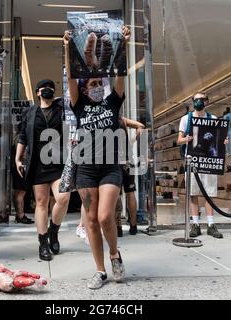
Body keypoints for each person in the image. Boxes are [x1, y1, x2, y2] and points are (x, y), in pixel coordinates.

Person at [64, 26, 129, 290]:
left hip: (110, 167)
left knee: (105, 217)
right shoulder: (78, 105)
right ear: (84, 87)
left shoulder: (112, 102)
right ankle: (100, 270)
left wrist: (124, 44)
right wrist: (67, 47)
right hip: (86, 168)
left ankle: (114, 254)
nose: (97, 87)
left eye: (99, 83)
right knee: (90, 221)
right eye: (91, 84)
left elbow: (122, 74)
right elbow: (70, 77)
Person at [15, 79, 70, 261]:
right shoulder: (30, 112)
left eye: (51, 88)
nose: (48, 90)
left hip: (58, 162)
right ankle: (43, 242)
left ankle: (54, 230)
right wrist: (18, 157)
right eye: (44, 88)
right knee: (41, 202)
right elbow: (23, 136)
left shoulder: (61, 109)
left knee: (63, 197)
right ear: (38, 92)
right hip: (37, 163)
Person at [177, 92, 228, 239]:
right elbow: (179, 140)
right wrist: (187, 138)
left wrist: (223, 142)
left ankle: (211, 224)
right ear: (193, 101)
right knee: (193, 192)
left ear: (207, 101)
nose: (198, 102)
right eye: (196, 100)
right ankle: (196, 224)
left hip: (209, 159)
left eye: (201, 99)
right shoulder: (186, 118)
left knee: (209, 192)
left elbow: (219, 138)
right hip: (192, 159)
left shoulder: (212, 118)